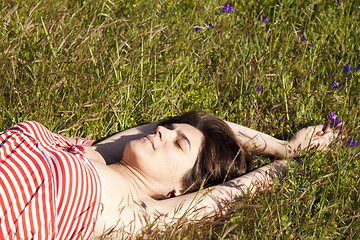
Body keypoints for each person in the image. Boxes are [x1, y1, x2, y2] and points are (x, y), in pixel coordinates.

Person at [0, 111, 335, 239]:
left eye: (179, 143)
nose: (162, 130)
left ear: (180, 188)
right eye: (169, 128)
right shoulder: (96, 151)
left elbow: (226, 193)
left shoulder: (124, 213)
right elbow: (201, 118)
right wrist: (280, 145)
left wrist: (288, 161)